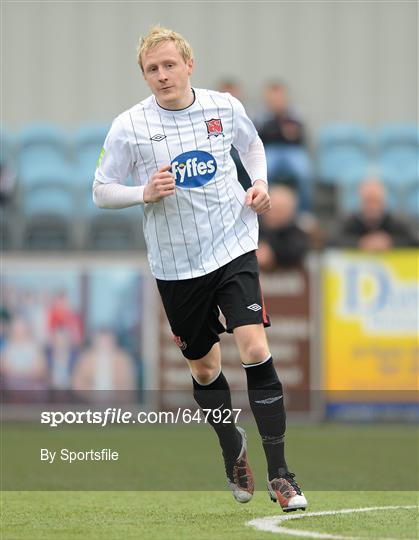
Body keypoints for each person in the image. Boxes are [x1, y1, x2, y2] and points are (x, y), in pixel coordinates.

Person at [92, 26, 307, 512]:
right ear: (143, 76)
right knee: (206, 367)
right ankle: (232, 447)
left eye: (170, 65)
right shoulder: (129, 126)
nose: (163, 75)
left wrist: (259, 184)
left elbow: (253, 148)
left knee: (254, 346)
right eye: (153, 69)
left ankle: (281, 475)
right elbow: (101, 189)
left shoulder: (224, 108)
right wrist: (141, 193)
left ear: (189, 64)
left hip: (233, 244)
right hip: (176, 263)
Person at [258, 82, 313, 214]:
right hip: (269, 149)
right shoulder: (260, 116)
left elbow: (299, 137)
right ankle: (266, 212)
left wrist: (276, 131)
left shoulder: (296, 114)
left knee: (304, 173)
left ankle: (303, 213)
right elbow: (259, 137)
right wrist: (280, 131)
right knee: (263, 173)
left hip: (292, 151)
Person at [334, 178, 418, 250]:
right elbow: (333, 242)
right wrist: (360, 243)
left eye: (376, 201)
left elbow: (414, 242)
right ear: (360, 202)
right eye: (367, 201)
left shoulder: (397, 223)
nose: (372, 206)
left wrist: (390, 242)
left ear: (384, 202)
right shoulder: (348, 222)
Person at [257, 186, 310, 271]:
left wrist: (272, 254)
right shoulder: (254, 230)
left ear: (291, 212)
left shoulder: (296, 235)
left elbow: (296, 251)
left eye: (279, 210)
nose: (273, 214)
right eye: (270, 209)